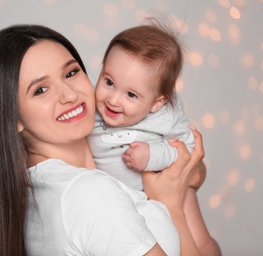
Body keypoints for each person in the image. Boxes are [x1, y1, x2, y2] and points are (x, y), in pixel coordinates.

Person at [0, 24, 216, 255]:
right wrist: (170, 204)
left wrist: (193, 174)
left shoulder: (39, 187)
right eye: (40, 90)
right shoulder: (90, 195)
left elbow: (191, 170)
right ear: (13, 118)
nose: (69, 94)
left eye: (71, 72)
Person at [88, 19, 221, 255]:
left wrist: (153, 156)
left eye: (131, 94)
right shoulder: (90, 108)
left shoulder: (165, 115)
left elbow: (186, 149)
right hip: (136, 199)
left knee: (200, 241)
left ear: (156, 102)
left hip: (168, 184)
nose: (113, 99)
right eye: (109, 82)